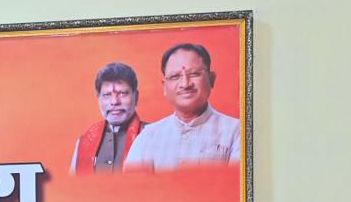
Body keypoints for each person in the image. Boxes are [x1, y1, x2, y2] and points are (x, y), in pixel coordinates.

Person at [124, 42, 241, 171]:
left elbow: (239, 183)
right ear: (165, 87)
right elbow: (132, 184)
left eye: (194, 74)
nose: (185, 84)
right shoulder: (148, 137)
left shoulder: (237, 131)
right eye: (175, 76)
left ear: (211, 79)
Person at [69, 62, 147, 174]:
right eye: (107, 95)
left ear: (136, 97)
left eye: (122, 93)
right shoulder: (83, 142)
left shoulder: (154, 136)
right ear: (98, 99)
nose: (114, 102)